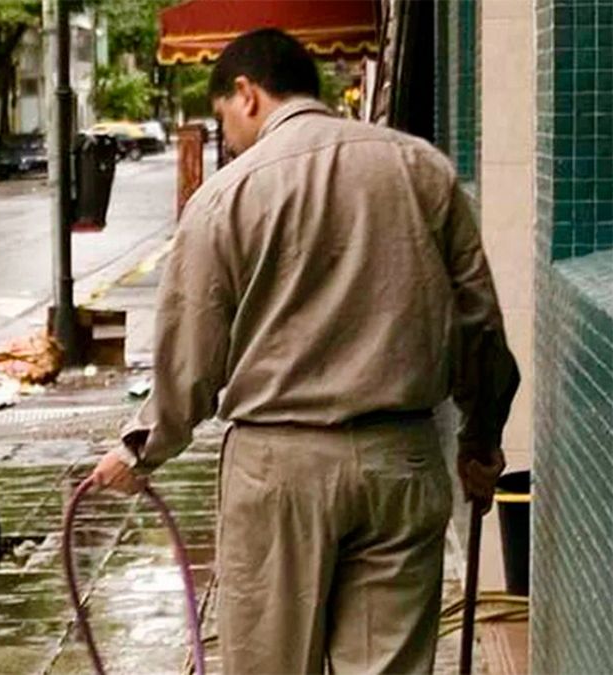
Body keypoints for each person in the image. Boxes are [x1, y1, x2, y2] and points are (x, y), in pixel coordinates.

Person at [89, 28, 518, 674]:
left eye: (224, 118)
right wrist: (480, 440)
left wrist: (140, 450)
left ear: (247, 93)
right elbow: (479, 324)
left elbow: (191, 359)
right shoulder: (421, 170)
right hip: (401, 458)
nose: (230, 137)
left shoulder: (225, 197)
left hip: (278, 470)